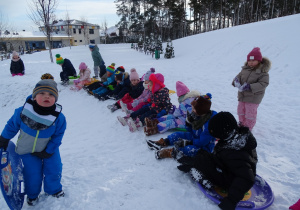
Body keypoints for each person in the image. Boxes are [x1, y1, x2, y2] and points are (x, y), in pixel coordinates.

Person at [0, 79, 66, 206]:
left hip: (49, 149)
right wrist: (4, 138)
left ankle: (54, 190)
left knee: (54, 169)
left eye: (51, 94)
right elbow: (12, 126)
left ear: (55, 99)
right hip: (26, 150)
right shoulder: (22, 111)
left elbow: (58, 135)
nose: (47, 96)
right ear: (35, 97)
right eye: (42, 93)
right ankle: (32, 195)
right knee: (32, 174)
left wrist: (49, 150)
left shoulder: (59, 117)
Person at [177, 112, 258, 210]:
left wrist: (231, 200)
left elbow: (247, 178)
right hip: (228, 168)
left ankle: (202, 175)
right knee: (202, 154)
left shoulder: (236, 153)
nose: (215, 138)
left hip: (231, 181)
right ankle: (195, 163)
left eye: (216, 136)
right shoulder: (233, 139)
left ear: (224, 133)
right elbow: (222, 157)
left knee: (205, 163)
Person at [147, 94, 217, 160]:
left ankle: (172, 152)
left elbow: (202, 142)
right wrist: (188, 122)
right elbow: (189, 130)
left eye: (194, 109)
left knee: (189, 149)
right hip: (195, 136)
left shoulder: (208, 124)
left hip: (205, 147)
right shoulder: (197, 116)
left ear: (200, 111)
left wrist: (188, 142)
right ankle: (163, 142)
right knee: (178, 134)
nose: (192, 111)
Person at [232, 47, 271, 131]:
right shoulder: (244, 69)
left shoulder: (263, 72)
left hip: (253, 97)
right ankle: (241, 124)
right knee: (240, 110)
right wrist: (235, 81)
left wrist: (250, 86)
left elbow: (263, 83)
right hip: (242, 95)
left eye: (253, 61)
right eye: (249, 61)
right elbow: (238, 76)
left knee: (250, 113)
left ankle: (247, 128)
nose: (251, 62)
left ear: (259, 61)